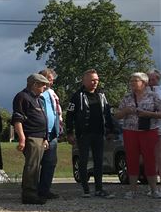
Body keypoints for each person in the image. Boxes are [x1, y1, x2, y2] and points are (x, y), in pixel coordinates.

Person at [66, 69, 116, 198]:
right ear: (85, 81)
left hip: (99, 133)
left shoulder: (101, 95)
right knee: (83, 161)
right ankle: (85, 189)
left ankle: (99, 189)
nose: (95, 82)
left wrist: (110, 130)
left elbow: (108, 114)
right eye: (92, 80)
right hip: (84, 134)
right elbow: (69, 115)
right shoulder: (77, 96)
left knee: (98, 160)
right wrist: (69, 132)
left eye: (97, 80)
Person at [115, 72, 161, 199]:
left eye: (135, 81)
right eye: (131, 81)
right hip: (130, 131)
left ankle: (154, 190)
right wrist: (125, 111)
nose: (132, 83)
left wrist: (148, 114)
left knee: (150, 159)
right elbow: (117, 115)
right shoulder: (127, 97)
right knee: (131, 159)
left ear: (144, 83)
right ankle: (132, 190)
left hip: (149, 131)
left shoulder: (153, 97)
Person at [12, 73, 49, 205]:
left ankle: (33, 192)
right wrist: (22, 138)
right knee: (31, 166)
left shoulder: (37, 98)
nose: (44, 87)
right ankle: (29, 194)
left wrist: (45, 138)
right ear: (34, 84)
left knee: (36, 166)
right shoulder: (23, 97)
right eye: (42, 84)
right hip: (31, 137)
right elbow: (17, 119)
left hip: (39, 137)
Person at [38, 69, 62, 199]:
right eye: (49, 78)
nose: (51, 81)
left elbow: (55, 111)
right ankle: (34, 189)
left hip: (53, 133)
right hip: (41, 133)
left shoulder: (52, 94)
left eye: (52, 79)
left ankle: (45, 189)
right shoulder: (39, 95)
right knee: (37, 162)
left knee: (51, 162)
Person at [147, 69, 161, 180]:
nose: (151, 81)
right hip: (146, 129)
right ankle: (153, 185)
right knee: (150, 158)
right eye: (149, 79)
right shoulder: (142, 92)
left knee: (159, 157)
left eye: (154, 79)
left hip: (159, 128)